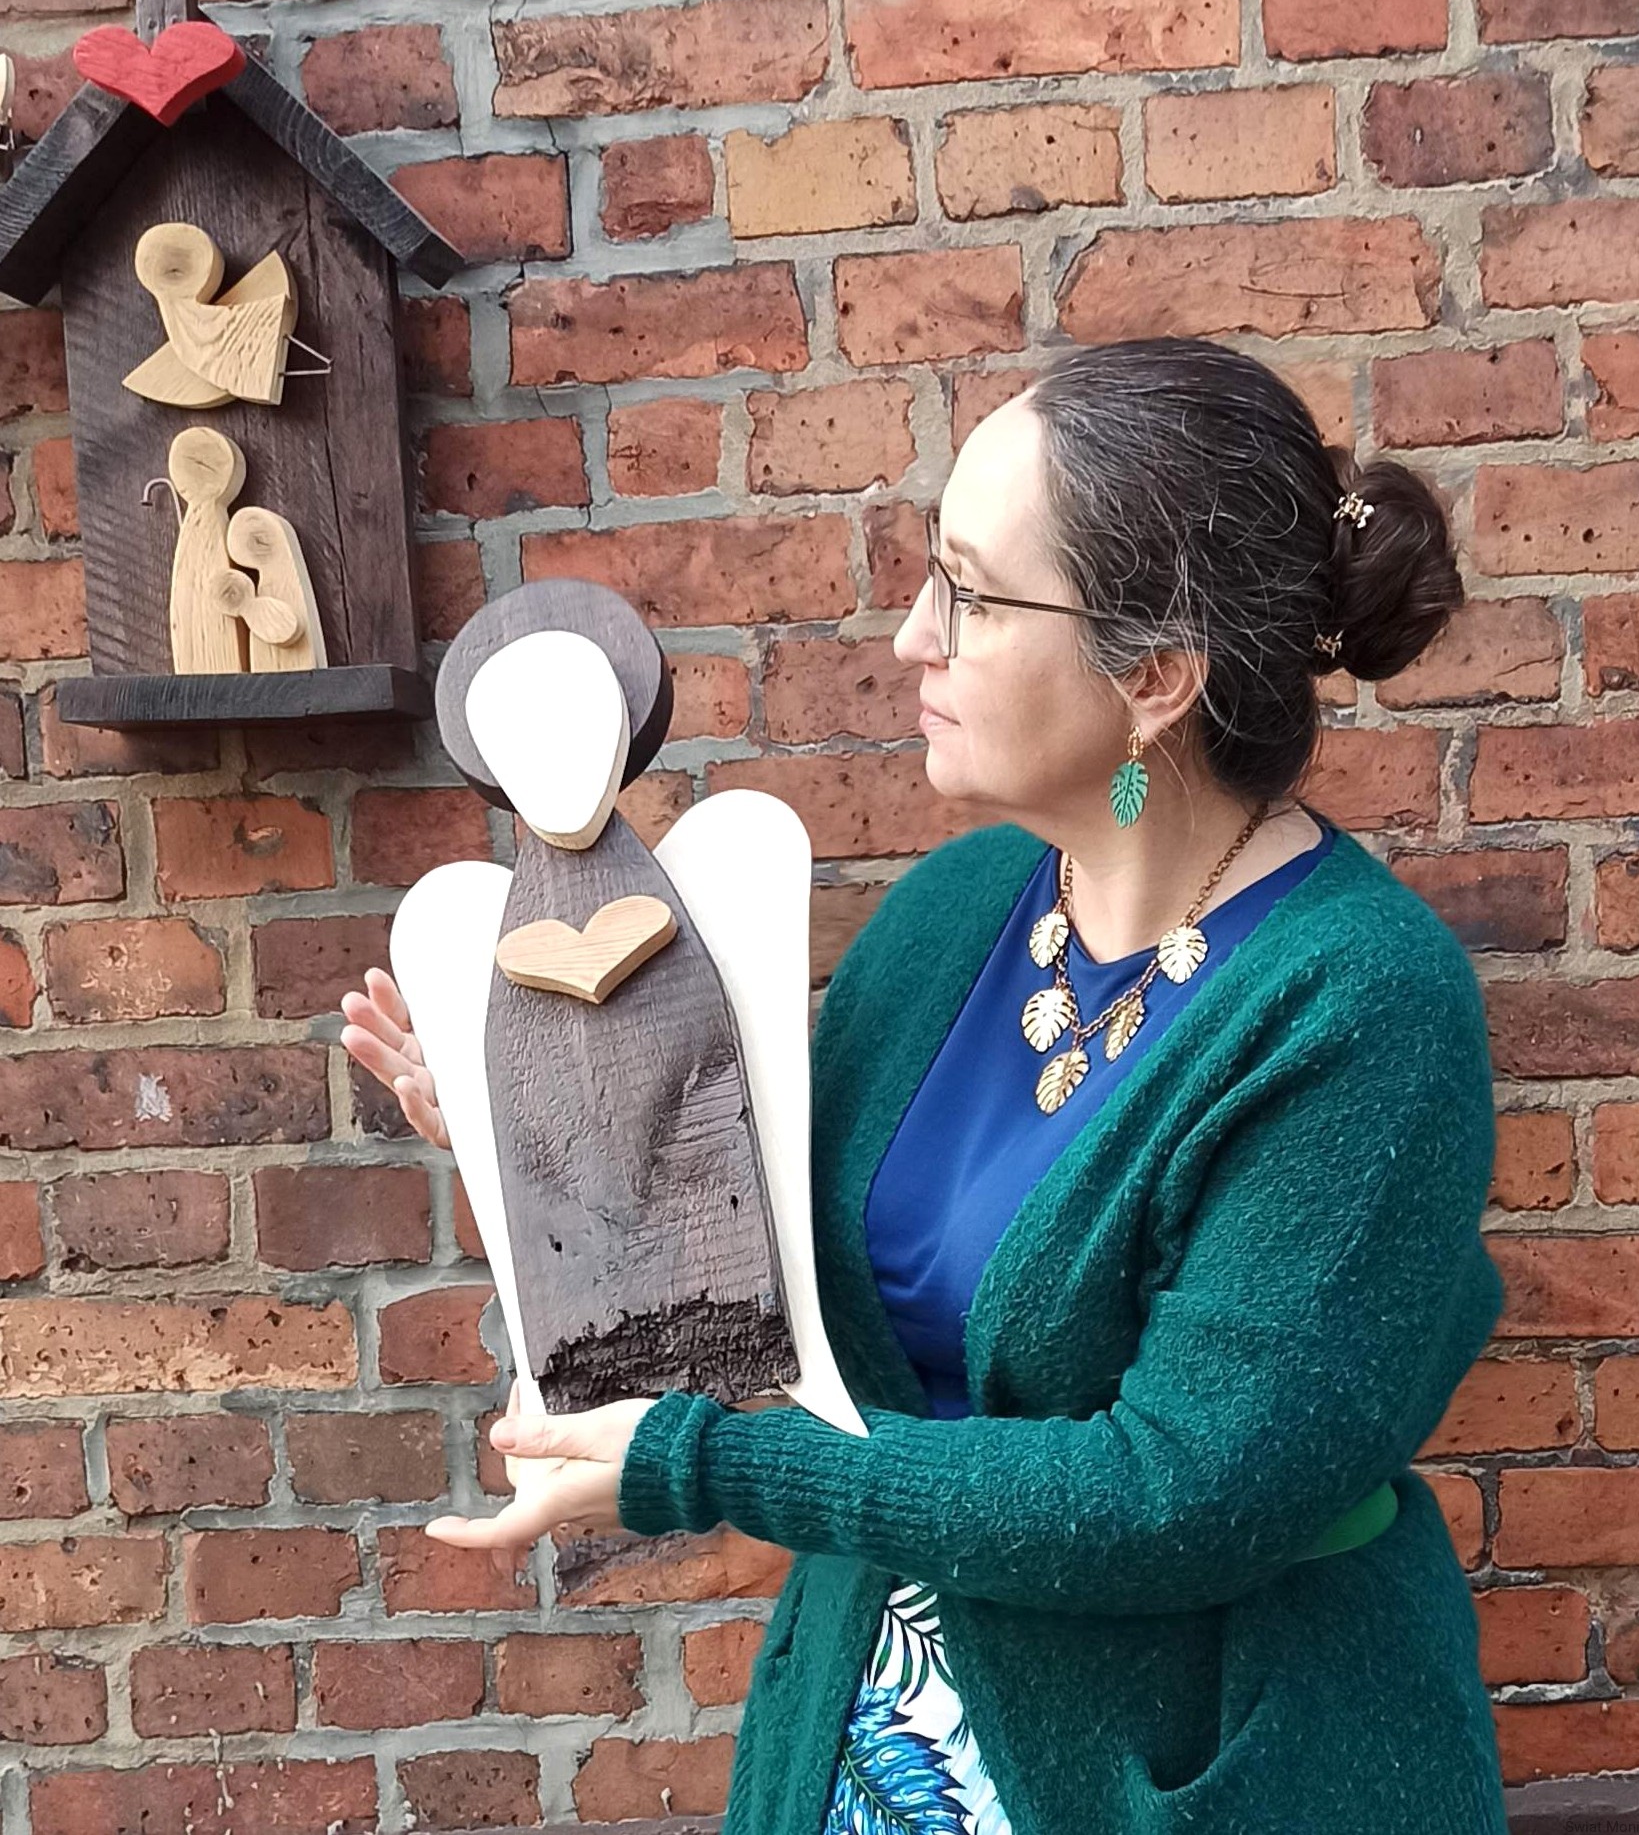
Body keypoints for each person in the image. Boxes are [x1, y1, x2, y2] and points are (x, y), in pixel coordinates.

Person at [340, 337, 1510, 1834]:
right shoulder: (956, 915)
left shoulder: (1360, 1006)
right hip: (874, 1741)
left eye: (971, 591)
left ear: (1155, 675)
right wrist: (553, 1163)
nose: (910, 636)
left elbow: (1182, 1493)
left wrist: (708, 1463)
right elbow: (761, 1301)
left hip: (1195, 1765)